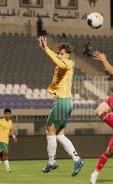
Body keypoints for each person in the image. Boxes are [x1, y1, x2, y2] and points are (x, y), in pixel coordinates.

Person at [38, 36, 84, 176]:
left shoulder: (69, 63)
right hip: (66, 101)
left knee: (49, 131)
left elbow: (60, 63)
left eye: (62, 53)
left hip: (63, 101)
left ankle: (52, 162)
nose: (59, 55)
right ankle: (77, 159)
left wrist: (46, 49)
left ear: (68, 54)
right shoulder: (63, 63)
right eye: (58, 53)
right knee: (59, 133)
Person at [0, 108, 18, 173]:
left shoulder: (10, 122)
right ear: (4, 114)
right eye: (6, 114)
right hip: (0, 139)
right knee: (6, 153)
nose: (8, 115)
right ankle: (8, 168)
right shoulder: (0, 121)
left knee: (1, 154)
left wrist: (14, 136)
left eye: (9, 114)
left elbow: (11, 130)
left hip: (6, 140)